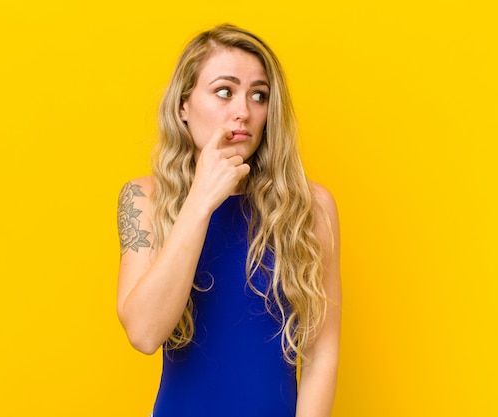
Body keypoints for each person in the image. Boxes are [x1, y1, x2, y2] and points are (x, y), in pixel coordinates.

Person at [116, 24, 341, 417]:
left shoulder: (310, 206)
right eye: (225, 91)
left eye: (259, 95)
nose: (243, 111)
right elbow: (144, 332)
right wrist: (202, 198)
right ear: (183, 106)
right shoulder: (144, 199)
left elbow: (321, 352)